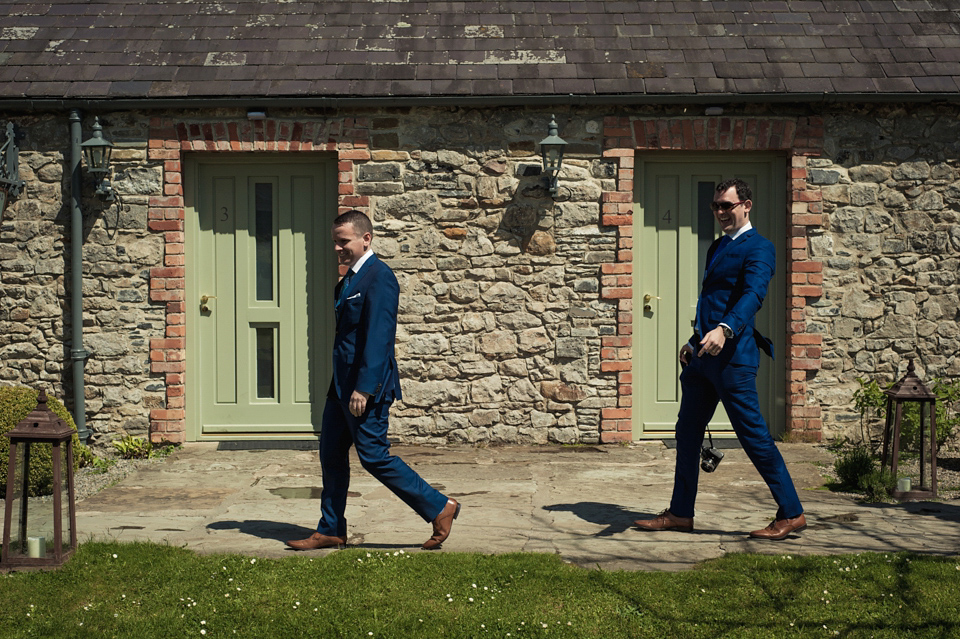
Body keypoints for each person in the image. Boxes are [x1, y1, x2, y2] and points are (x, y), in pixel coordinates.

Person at [633, 178, 805, 541]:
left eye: (727, 205)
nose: (721, 213)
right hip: (702, 358)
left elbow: (752, 294)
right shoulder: (716, 247)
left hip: (733, 360)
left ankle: (791, 512)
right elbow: (712, 301)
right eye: (716, 207)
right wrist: (694, 340)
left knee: (753, 435)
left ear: (747, 205)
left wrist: (725, 329)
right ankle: (681, 513)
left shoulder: (760, 248)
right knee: (687, 432)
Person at [287, 210, 460, 551]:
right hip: (340, 388)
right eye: (335, 242)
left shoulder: (379, 277)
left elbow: (379, 337)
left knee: (374, 456)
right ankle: (331, 528)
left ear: (366, 239)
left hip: (365, 388)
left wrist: (365, 388)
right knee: (331, 456)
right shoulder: (350, 278)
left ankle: (440, 507)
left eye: (344, 241)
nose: (337, 248)